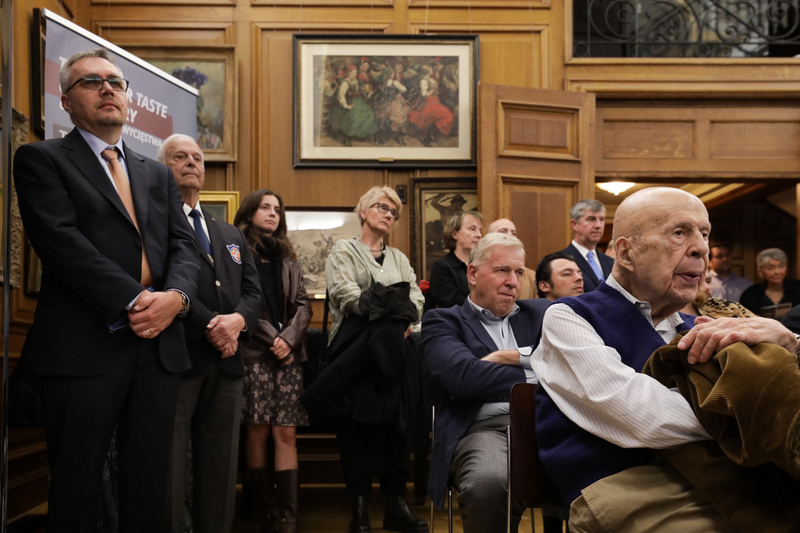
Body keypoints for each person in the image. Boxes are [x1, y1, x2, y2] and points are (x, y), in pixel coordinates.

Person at [532, 187, 800, 533]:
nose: (701, 248)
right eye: (679, 232)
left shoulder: (703, 329)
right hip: (625, 484)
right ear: (626, 253)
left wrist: (791, 343)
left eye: (704, 234)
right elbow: (642, 417)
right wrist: (760, 418)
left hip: (723, 477)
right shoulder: (569, 317)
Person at [13, 48, 200, 531]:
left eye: (116, 82)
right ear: (66, 100)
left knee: (149, 487)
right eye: (92, 82)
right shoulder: (40, 158)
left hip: (157, 348)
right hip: (83, 347)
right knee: (77, 488)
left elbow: (184, 248)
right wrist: (139, 300)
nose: (108, 89)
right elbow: (61, 243)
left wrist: (175, 301)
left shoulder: (156, 173)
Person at [308, 186, 427, 533]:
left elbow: (416, 301)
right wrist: (394, 308)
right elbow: (348, 297)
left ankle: (395, 505)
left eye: (394, 211)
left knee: (396, 428)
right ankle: (358, 507)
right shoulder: (342, 251)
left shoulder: (400, 259)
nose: (388, 214)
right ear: (363, 211)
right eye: (382, 207)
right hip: (355, 354)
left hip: (395, 355)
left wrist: (392, 309)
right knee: (355, 429)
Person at [159, 134, 262, 533]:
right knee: (169, 467)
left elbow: (254, 293)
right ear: (162, 167)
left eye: (197, 157)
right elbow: (160, 285)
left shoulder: (230, 233)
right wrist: (211, 325)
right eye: (179, 156)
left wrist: (236, 322)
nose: (191, 162)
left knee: (220, 468)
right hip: (179, 360)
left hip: (228, 363)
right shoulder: (155, 224)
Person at [421, 233, 554, 533]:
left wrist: (506, 357)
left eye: (519, 272)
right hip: (485, 430)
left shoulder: (543, 314)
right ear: (472, 273)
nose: (513, 282)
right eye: (502, 270)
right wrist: (539, 367)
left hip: (549, 425)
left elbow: (573, 368)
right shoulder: (443, 321)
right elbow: (463, 379)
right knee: (488, 483)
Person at [234, 189, 313, 533]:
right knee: (257, 430)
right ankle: (265, 507)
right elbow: (241, 303)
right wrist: (274, 340)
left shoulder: (289, 258)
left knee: (286, 432)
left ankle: (288, 514)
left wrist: (289, 340)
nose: (272, 213)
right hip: (254, 354)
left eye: (277, 209)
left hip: (289, 358)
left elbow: (303, 305)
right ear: (250, 213)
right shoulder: (236, 253)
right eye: (265, 207)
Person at [429, 211, 484, 308]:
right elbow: (450, 303)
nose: (479, 235)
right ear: (455, 234)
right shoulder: (442, 268)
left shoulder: (483, 265)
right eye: (472, 229)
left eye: (480, 231)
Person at [559, 199, 613, 292]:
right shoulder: (560, 260)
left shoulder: (610, 262)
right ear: (575, 224)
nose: (598, 225)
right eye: (591, 219)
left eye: (601, 220)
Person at [739, 247, 800, 318]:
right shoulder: (750, 294)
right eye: (771, 268)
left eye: (781, 266)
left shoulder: (798, 288)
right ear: (760, 272)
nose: (777, 272)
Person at [486, 218, 537, 299]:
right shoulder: (481, 270)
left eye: (513, 233)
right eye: (503, 231)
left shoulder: (531, 277)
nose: (510, 235)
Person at [680, 268, 754, 319]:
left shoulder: (728, 307)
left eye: (708, 281)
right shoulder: (671, 315)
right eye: (697, 280)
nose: (707, 287)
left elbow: (762, 326)